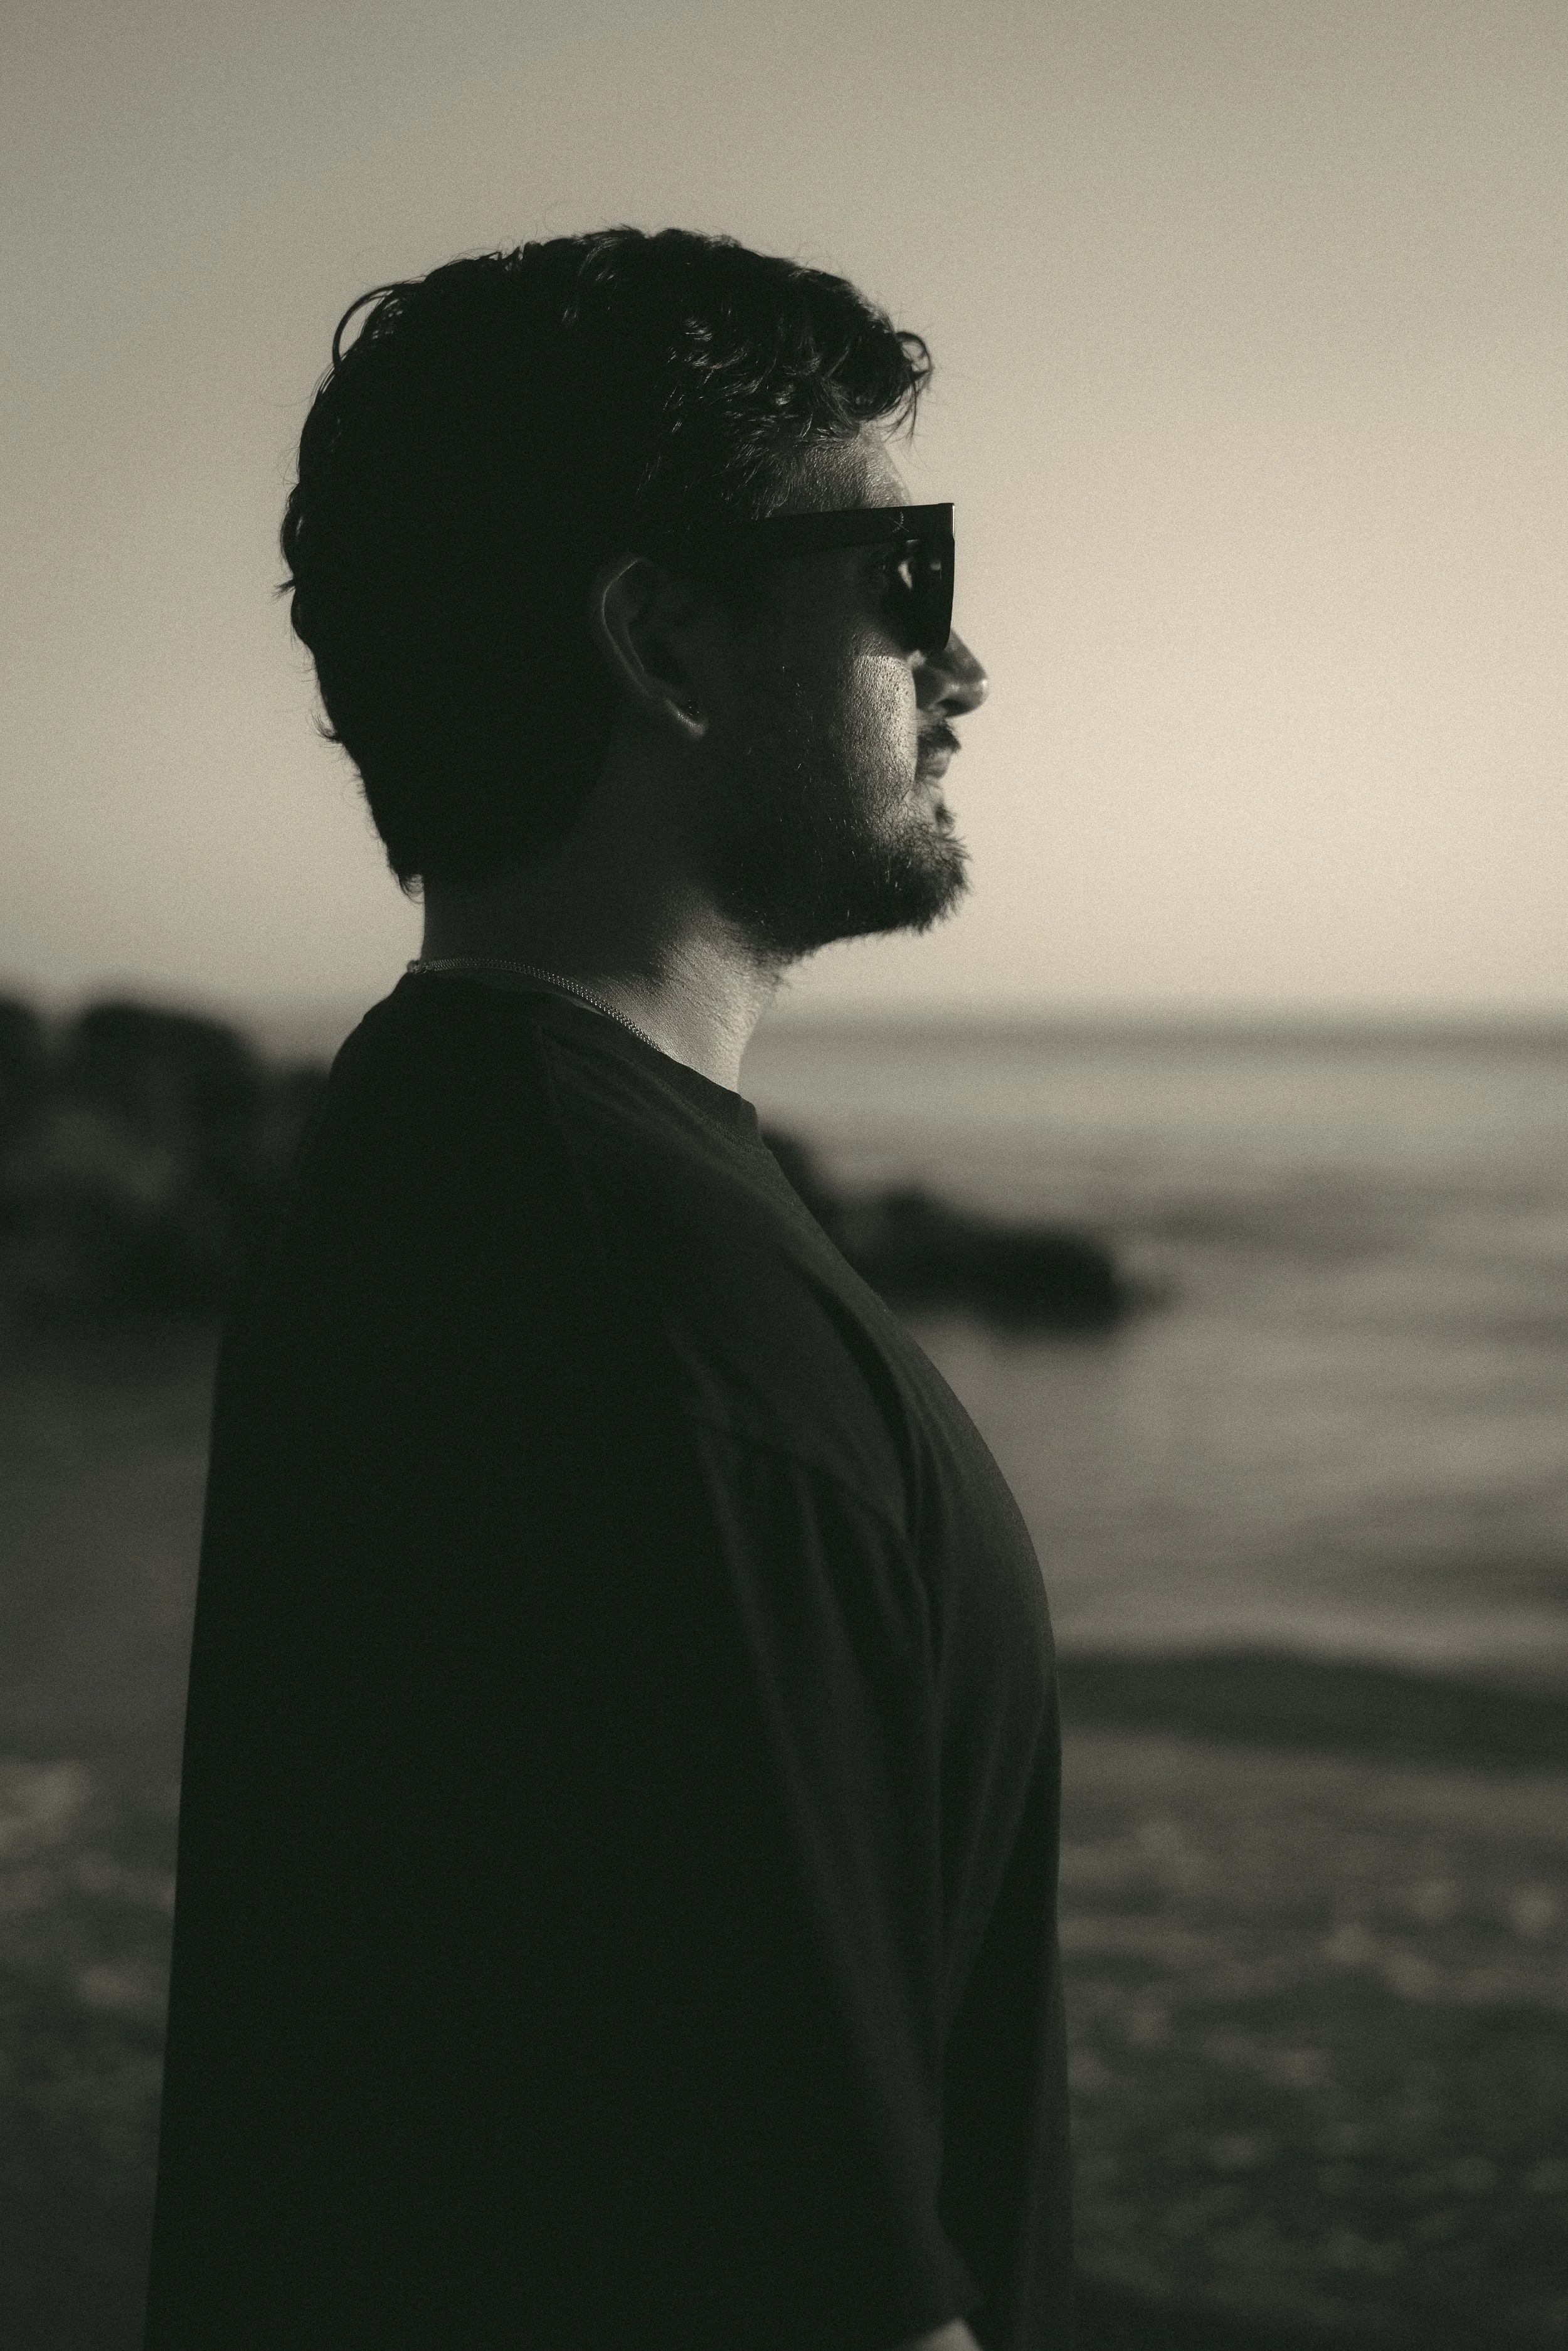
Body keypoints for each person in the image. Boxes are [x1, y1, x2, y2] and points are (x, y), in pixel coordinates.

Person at [143, 228, 1071, 2351]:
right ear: (664, 636)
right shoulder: (641, 1320)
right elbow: (808, 2288)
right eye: (902, 577)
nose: (961, 663)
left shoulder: (443, 1168)